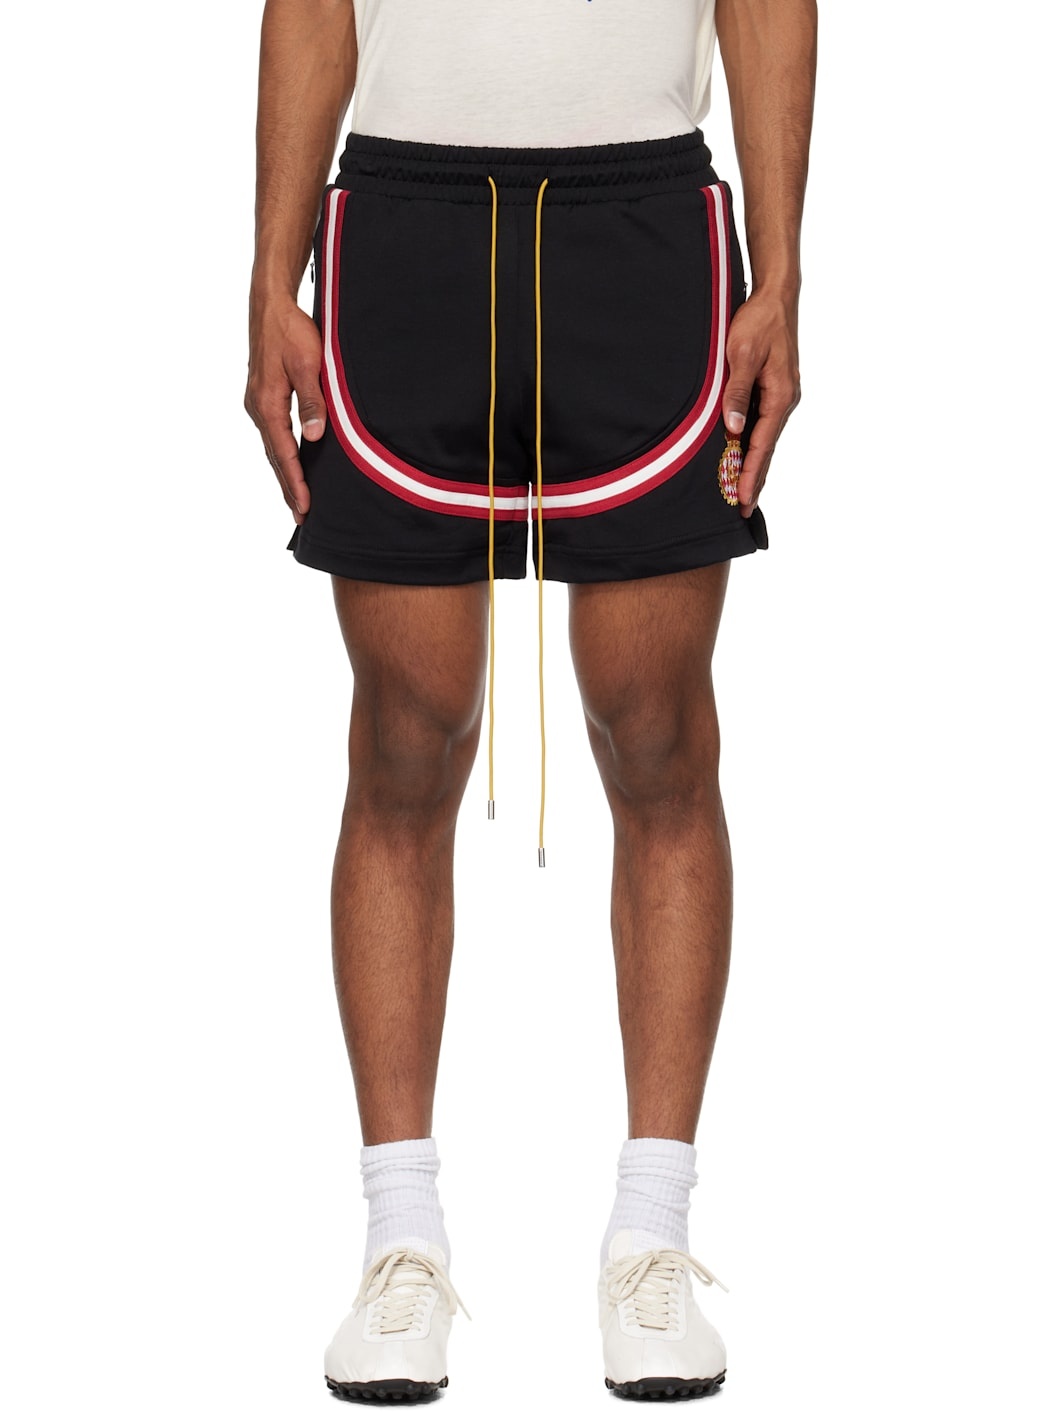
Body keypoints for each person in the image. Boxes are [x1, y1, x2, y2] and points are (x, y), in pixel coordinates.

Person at [245, 0, 815, 1399]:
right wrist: (269, 274)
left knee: (657, 730)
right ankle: (401, 1240)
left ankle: (652, 1234)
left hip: (641, 219)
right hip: (406, 219)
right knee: (404, 736)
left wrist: (783, 272)